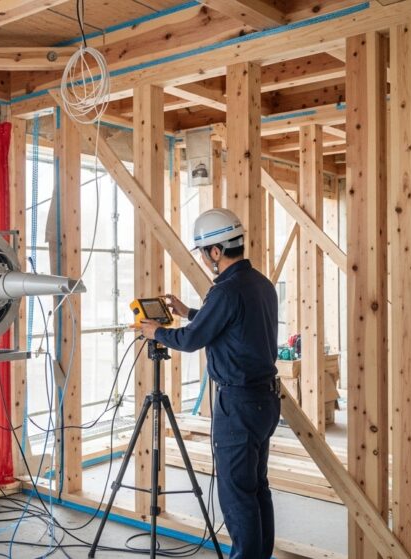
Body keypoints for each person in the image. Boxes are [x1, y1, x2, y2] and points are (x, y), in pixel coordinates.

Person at [134, 208, 280, 559]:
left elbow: (191, 340)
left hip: (238, 406)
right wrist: (188, 312)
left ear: (216, 252)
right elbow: (231, 324)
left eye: (203, 252)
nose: (204, 259)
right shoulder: (260, 284)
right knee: (257, 487)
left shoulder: (226, 291)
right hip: (265, 401)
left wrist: (157, 331)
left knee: (236, 494)